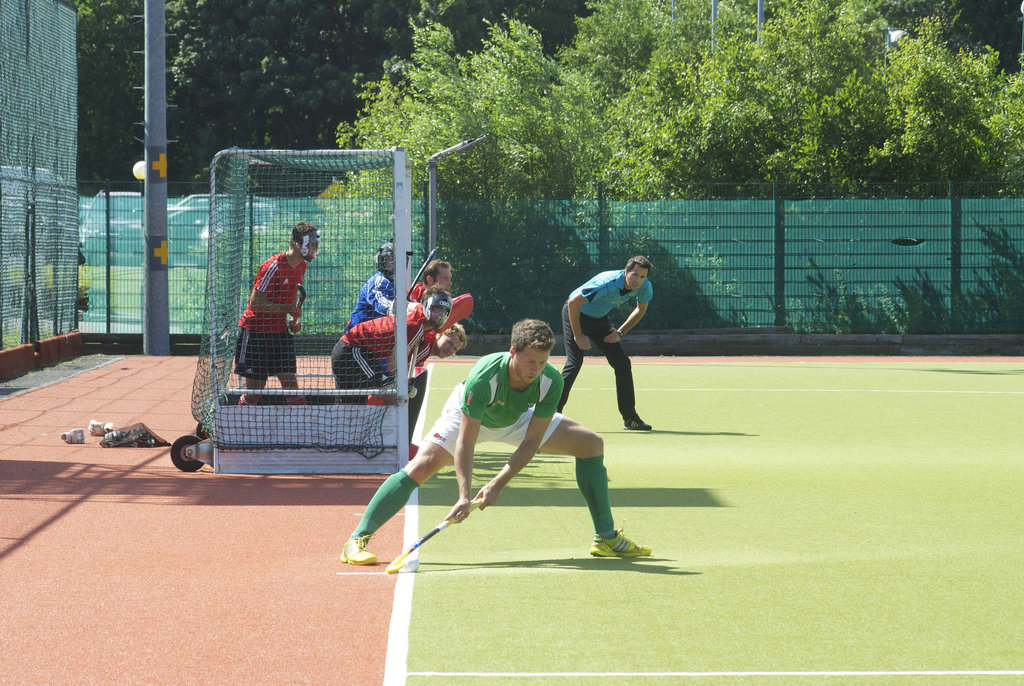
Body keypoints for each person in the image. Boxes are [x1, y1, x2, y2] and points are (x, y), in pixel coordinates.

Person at [340, 318, 651, 566]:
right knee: (422, 465)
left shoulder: (550, 381)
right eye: (530, 361)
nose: (535, 370)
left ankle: (606, 538)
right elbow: (466, 440)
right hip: (467, 415)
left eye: (542, 362)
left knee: (591, 444)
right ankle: (357, 539)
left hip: (516, 418)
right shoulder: (484, 375)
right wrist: (465, 495)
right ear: (512, 352)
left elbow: (531, 442)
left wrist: (498, 483)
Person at [559, 256, 654, 431]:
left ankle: (630, 418)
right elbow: (573, 303)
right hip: (576, 313)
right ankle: (550, 415)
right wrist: (578, 335)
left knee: (622, 363)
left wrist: (620, 333)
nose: (638, 280)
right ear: (626, 271)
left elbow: (640, 309)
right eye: (634, 275)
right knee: (574, 362)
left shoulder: (645, 286)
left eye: (642, 277)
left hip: (598, 318)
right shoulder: (607, 283)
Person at [234, 221, 320, 406]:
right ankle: (240, 430)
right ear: (294, 244)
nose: (313, 248)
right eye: (309, 244)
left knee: (292, 388)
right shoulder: (272, 267)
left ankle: (303, 431)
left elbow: (290, 299)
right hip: (255, 333)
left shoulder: (302, 266)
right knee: (254, 394)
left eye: (315, 244)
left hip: (279, 333)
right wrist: (287, 310)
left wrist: (293, 319)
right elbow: (255, 303)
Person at [331, 285, 454, 394]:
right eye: (437, 308)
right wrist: (404, 385)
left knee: (351, 406)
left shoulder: (419, 318)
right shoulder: (415, 326)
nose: (441, 315)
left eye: (446, 311)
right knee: (393, 394)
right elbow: (393, 365)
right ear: (427, 305)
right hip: (352, 351)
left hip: (357, 352)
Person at [346, 241, 396, 332]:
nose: (392, 264)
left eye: (395, 260)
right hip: (359, 335)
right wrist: (394, 308)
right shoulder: (380, 280)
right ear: (382, 261)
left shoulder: (398, 284)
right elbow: (379, 300)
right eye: (389, 259)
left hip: (376, 335)